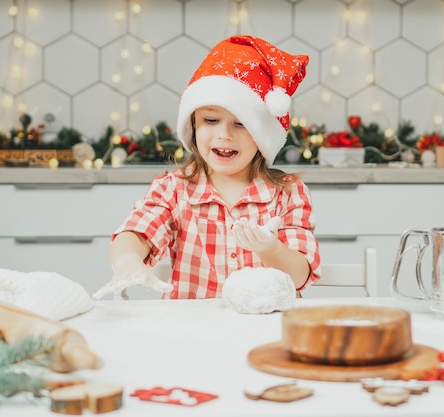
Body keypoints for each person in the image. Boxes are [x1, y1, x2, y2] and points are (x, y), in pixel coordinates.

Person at [93, 35, 321, 300]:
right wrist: (128, 262)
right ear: (193, 126)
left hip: (265, 330)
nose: (224, 134)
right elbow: (136, 233)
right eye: (211, 120)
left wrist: (270, 248)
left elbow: (299, 275)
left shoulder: (288, 193)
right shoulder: (173, 189)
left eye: (241, 123)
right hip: (192, 333)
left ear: (262, 134)